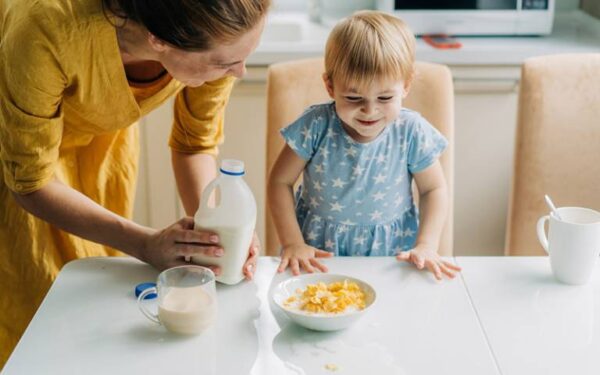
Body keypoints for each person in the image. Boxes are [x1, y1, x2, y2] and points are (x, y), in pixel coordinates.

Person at [0, 0, 270, 367]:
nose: (239, 72)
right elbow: (29, 181)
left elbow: (195, 145)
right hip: (17, 147)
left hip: (99, 145)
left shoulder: (214, 30)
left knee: (94, 300)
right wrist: (144, 244)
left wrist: (214, 233)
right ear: (158, 40)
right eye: (224, 63)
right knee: (30, 304)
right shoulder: (44, 28)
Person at [268, 11, 462, 280]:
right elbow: (279, 182)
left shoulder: (411, 131)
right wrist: (292, 243)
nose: (369, 110)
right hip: (318, 256)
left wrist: (427, 244)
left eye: (384, 97)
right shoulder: (315, 125)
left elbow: (434, 188)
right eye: (353, 97)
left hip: (391, 257)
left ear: (406, 86)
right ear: (330, 86)